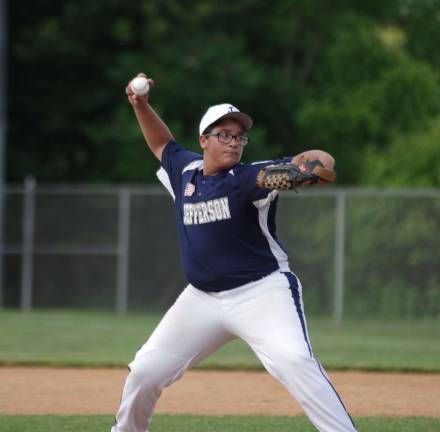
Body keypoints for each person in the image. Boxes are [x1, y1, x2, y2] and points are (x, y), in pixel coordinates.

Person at [111, 73, 357, 432]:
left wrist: (311, 165)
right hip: (201, 299)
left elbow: (320, 160)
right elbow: (161, 142)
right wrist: (141, 105)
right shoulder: (185, 171)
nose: (234, 142)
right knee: (145, 372)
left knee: (294, 360)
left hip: (261, 293)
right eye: (224, 134)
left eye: (239, 136)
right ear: (204, 140)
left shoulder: (248, 178)